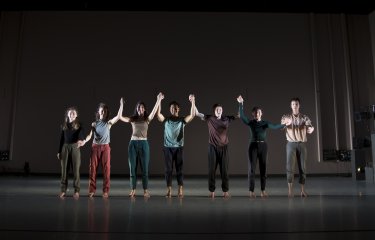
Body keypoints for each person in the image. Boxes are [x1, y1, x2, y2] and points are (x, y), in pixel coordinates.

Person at [237, 95, 288, 198]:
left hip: (263, 146)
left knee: (263, 168)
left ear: (262, 113)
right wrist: (240, 103)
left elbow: (274, 126)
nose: (258, 113)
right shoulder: (251, 123)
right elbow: (242, 116)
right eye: (256, 112)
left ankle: (263, 190)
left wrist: (284, 124)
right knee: (252, 169)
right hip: (253, 146)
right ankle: (251, 191)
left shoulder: (265, 123)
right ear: (253, 114)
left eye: (259, 112)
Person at [119, 93, 163, 198]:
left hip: (144, 144)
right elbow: (120, 117)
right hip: (133, 144)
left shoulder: (147, 119)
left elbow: (154, 111)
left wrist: (158, 99)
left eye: (142, 107)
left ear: (144, 109)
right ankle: (133, 190)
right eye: (139, 107)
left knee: (145, 169)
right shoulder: (133, 119)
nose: (140, 109)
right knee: (132, 168)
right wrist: (121, 105)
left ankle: (145, 190)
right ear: (137, 109)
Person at [80, 98, 123, 198]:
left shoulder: (109, 123)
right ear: (98, 112)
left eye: (105, 110)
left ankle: (105, 191)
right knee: (93, 169)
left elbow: (118, 116)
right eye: (101, 110)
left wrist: (121, 105)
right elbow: (90, 135)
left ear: (106, 112)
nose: (103, 111)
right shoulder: (94, 124)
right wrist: (84, 141)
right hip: (95, 147)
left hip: (106, 148)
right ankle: (91, 190)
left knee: (106, 169)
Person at [156, 93, 195, 198]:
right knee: (168, 170)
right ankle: (169, 190)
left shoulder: (182, 120)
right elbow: (158, 114)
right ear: (170, 110)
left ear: (179, 109)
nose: (174, 109)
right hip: (168, 148)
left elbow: (192, 115)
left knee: (179, 169)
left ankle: (180, 189)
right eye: (172, 108)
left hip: (179, 148)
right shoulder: (166, 120)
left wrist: (193, 101)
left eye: (176, 108)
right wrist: (159, 100)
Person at [195, 102, 236, 198]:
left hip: (224, 147)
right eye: (217, 110)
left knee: (224, 170)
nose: (219, 111)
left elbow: (239, 115)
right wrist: (193, 101)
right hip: (212, 147)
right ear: (214, 111)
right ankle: (212, 191)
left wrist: (240, 103)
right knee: (211, 170)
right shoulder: (209, 118)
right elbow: (197, 113)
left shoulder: (226, 119)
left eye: (220, 110)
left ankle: (225, 191)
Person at [281, 97, 314, 197]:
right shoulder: (286, 116)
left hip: (301, 144)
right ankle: (290, 191)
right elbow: (281, 127)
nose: (295, 106)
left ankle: (302, 190)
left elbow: (310, 126)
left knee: (303, 167)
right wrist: (285, 123)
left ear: (299, 105)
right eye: (293, 104)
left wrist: (311, 129)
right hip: (291, 144)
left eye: (296, 104)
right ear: (291, 106)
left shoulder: (304, 117)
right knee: (290, 167)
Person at [57, 107, 86, 199]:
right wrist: (59, 151)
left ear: (76, 115)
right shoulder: (64, 125)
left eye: (74, 113)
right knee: (64, 170)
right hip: (65, 147)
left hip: (75, 147)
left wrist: (81, 140)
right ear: (68, 114)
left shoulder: (79, 125)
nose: (72, 114)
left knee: (75, 170)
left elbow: (81, 134)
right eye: (70, 113)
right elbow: (61, 139)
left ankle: (76, 191)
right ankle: (63, 190)